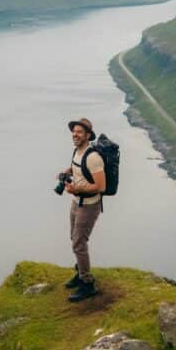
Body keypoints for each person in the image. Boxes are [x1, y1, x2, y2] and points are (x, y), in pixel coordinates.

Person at [61, 117, 106, 302]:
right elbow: (76, 167)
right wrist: (66, 172)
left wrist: (77, 189)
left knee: (79, 243)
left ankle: (87, 284)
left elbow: (101, 186)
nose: (75, 134)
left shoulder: (93, 157)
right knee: (74, 238)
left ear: (88, 135)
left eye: (79, 132)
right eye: (74, 131)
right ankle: (80, 272)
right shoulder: (77, 151)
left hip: (88, 206)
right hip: (76, 202)